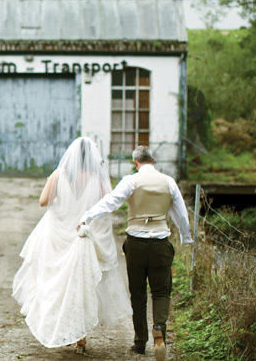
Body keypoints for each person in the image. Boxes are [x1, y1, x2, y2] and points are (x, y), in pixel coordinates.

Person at [12, 137, 132, 353]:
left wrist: (63, 202)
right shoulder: (97, 178)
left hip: (59, 236)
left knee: (57, 283)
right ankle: (80, 338)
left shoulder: (59, 175)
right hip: (84, 235)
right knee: (81, 286)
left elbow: (43, 201)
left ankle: (64, 329)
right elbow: (109, 204)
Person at [78, 145, 192, 361]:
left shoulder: (130, 181)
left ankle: (140, 342)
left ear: (135, 162)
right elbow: (181, 214)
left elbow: (110, 202)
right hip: (160, 244)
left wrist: (87, 216)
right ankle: (159, 332)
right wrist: (186, 237)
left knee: (138, 294)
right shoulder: (169, 182)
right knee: (161, 291)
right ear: (153, 159)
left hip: (136, 245)